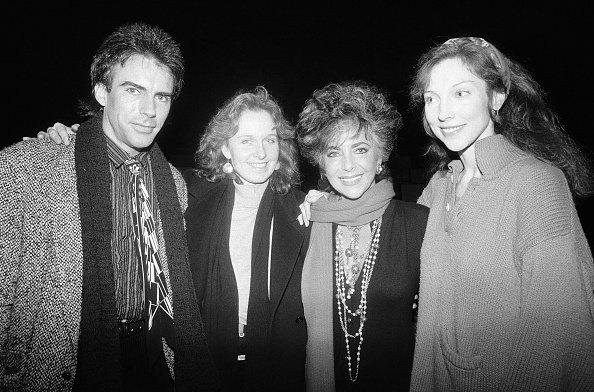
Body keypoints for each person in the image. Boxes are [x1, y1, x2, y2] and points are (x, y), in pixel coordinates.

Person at [0, 23, 218, 391]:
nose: (149, 110)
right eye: (134, 91)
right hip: (67, 366)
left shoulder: (175, 185)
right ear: (102, 91)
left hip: (152, 358)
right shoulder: (28, 168)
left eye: (162, 96)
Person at [408, 37, 594, 391]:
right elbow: (396, 255)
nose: (443, 112)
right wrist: (322, 205)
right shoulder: (438, 187)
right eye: (432, 98)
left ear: (496, 97)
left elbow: (560, 333)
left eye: (460, 93)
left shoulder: (537, 183)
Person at [296, 80, 429, 391]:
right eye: (333, 152)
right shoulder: (306, 224)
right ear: (321, 162)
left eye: (360, 149)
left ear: (380, 154)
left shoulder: (419, 224)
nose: (348, 165)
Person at [185, 86, 310, 391]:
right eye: (246, 140)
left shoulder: (306, 211)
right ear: (225, 148)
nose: (260, 153)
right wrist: (69, 139)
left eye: (270, 140)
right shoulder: (187, 198)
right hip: (206, 366)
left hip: (277, 370)